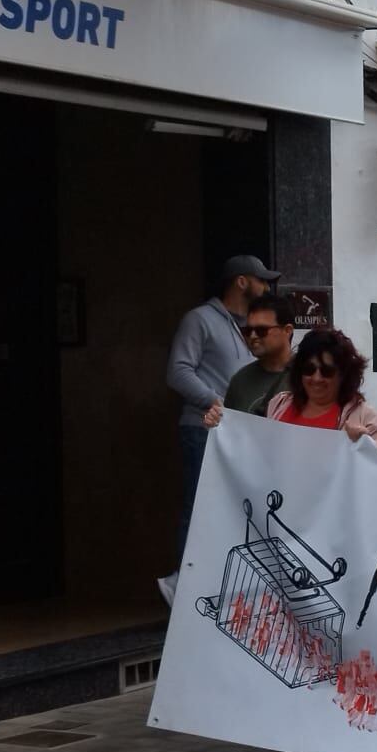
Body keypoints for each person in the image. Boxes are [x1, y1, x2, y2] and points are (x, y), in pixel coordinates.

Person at [163, 254, 279, 600]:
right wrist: (219, 404)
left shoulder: (251, 326)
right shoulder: (199, 320)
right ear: (241, 282)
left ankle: (219, 588)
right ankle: (181, 585)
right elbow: (178, 371)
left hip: (242, 435)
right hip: (203, 431)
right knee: (198, 507)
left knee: (234, 510)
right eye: (261, 280)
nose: (267, 286)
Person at [260, 329, 377, 450]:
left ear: (343, 375)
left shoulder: (365, 417)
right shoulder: (278, 404)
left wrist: (374, 446)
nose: (316, 378)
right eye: (309, 369)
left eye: (327, 371)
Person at [219, 293, 293, 416]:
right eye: (247, 331)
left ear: (287, 331)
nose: (253, 336)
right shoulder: (240, 381)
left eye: (261, 330)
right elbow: (230, 430)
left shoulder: (311, 377)